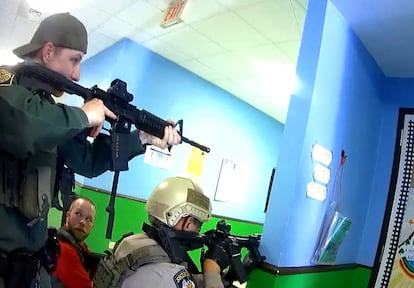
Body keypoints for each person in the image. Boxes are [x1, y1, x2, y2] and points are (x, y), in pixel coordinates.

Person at [0, 12, 181, 288]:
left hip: (28, 266)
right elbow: (25, 128)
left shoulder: (51, 112)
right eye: (74, 60)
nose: (77, 74)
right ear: (48, 51)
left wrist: (142, 138)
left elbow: (87, 162)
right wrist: (83, 116)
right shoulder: (7, 85)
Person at [93, 176, 228, 288]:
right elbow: (172, 278)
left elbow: (187, 280)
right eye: (198, 224)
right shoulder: (169, 274)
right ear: (188, 223)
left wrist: (226, 277)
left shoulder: (131, 242)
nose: (198, 230)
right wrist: (212, 272)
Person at [51, 197, 99, 288]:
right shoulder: (64, 249)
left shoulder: (80, 246)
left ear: (92, 226)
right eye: (78, 214)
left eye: (88, 219)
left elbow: (91, 257)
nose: (82, 222)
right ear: (68, 216)